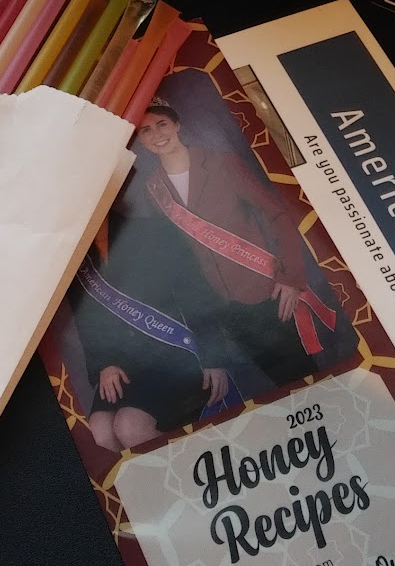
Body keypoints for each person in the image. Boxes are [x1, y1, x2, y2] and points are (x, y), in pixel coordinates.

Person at [135, 98, 333, 390]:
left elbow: (276, 214)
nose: (156, 134)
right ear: (141, 139)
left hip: (267, 290)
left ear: (177, 124)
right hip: (224, 306)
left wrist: (291, 277)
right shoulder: (154, 189)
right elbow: (179, 261)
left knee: (308, 379)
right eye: (146, 130)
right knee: (281, 387)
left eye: (162, 124)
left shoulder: (221, 163)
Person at [69, 210, 229, 451]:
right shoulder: (74, 258)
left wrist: (213, 356)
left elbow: (195, 292)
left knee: (130, 426)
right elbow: (87, 322)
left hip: (173, 355)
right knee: (100, 432)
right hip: (124, 364)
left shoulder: (150, 231)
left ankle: (191, 470)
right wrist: (105, 364)